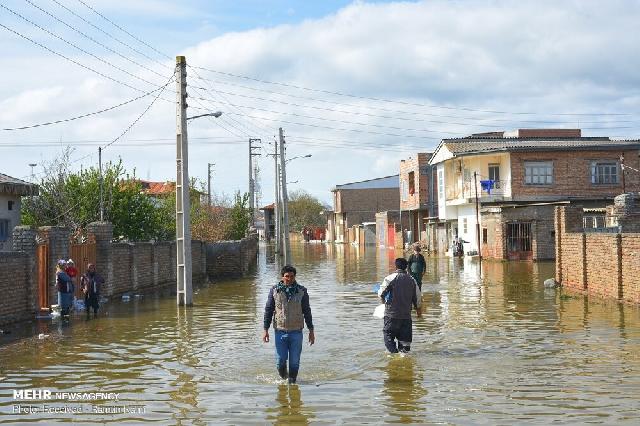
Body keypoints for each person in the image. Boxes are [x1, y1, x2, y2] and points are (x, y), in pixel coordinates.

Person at [263, 265, 315, 384]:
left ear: (295, 277)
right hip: (280, 332)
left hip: (296, 332)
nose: (289, 279)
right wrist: (265, 330)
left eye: (292, 276)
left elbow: (307, 311)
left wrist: (311, 330)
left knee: (294, 363)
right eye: (287, 276)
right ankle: (284, 380)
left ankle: (292, 385)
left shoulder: (302, 291)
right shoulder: (274, 290)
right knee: (280, 361)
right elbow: (268, 310)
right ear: (282, 277)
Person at [377, 258, 422, 353]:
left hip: (391, 316)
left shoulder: (390, 278)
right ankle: (402, 357)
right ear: (406, 267)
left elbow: (381, 293)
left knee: (388, 336)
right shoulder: (412, 280)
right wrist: (418, 311)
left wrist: (383, 304)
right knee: (405, 345)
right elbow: (418, 298)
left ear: (395, 266)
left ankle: (394, 355)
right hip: (406, 316)